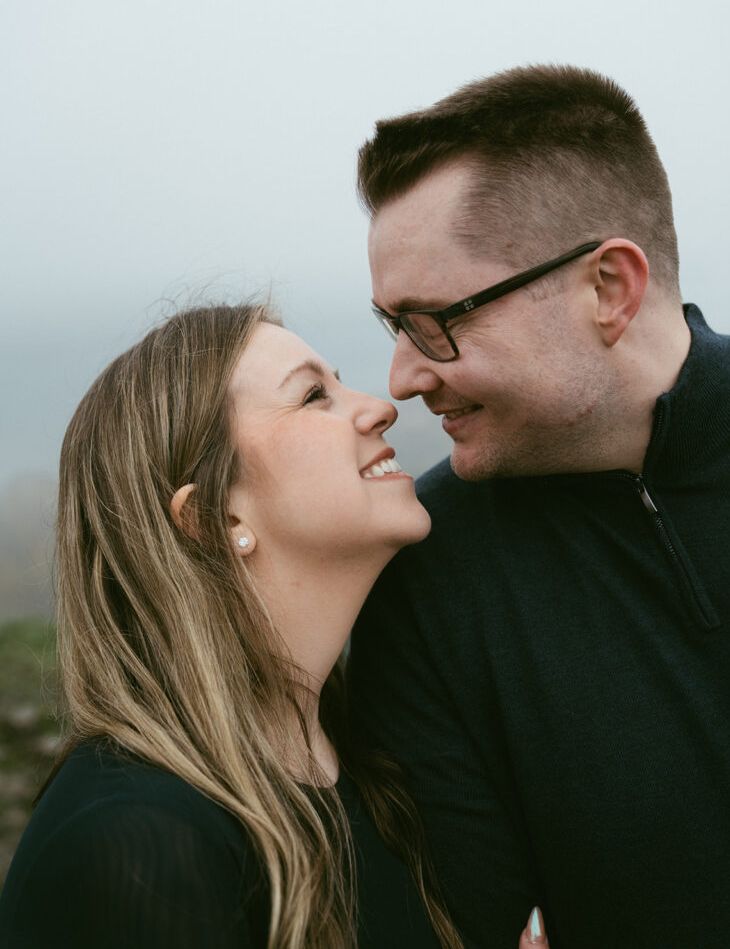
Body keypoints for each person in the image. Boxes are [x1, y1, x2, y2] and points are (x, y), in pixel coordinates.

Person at [0, 303, 547, 949]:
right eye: (315, 395)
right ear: (210, 517)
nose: (380, 406)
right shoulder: (133, 851)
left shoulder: (379, 772)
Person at [348, 64, 730, 949]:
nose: (403, 379)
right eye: (393, 327)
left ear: (608, 288)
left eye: (437, 320)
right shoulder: (429, 569)